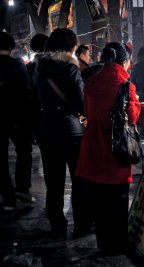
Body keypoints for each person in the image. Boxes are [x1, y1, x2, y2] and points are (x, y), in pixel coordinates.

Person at [76, 42, 140, 254]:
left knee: (99, 199)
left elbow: (86, 110)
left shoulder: (91, 82)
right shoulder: (125, 84)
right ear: (124, 61)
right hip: (116, 149)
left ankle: (103, 243)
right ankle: (118, 245)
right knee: (118, 199)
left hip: (93, 146)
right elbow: (132, 117)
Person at [32, 28, 88, 237]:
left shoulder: (37, 68)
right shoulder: (71, 70)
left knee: (53, 182)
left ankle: (57, 226)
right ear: (71, 47)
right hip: (72, 131)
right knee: (79, 180)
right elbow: (82, 104)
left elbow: (34, 98)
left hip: (47, 130)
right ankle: (81, 224)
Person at [0, 32, 34, 210]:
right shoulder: (17, 65)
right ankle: (22, 189)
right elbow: (26, 91)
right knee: (24, 152)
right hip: (18, 118)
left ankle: (7, 197)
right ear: (11, 48)